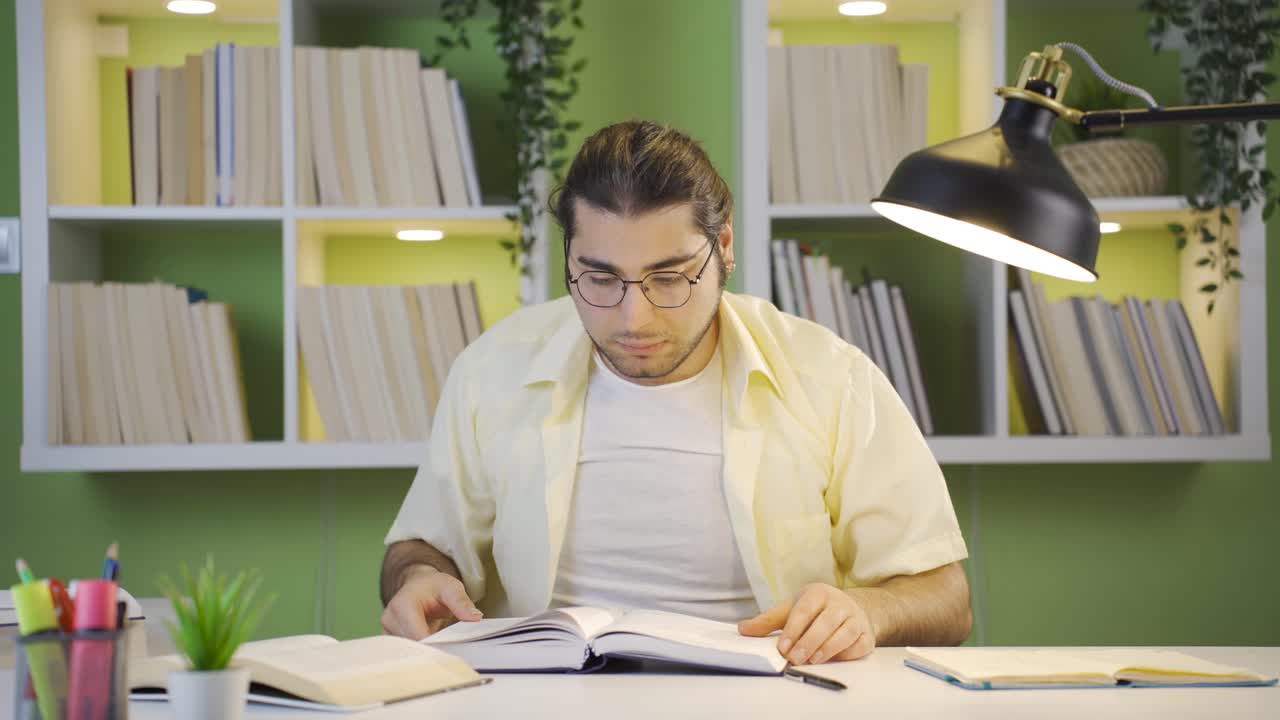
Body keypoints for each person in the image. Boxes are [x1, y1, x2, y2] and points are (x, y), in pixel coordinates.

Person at [381, 120, 971, 665]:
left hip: (771, 700)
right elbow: (419, 548)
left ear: (725, 248)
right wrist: (417, 579)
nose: (634, 317)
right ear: (568, 259)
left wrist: (871, 609)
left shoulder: (831, 377)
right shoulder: (494, 369)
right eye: (600, 277)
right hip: (545, 696)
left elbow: (947, 598)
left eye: (669, 277)